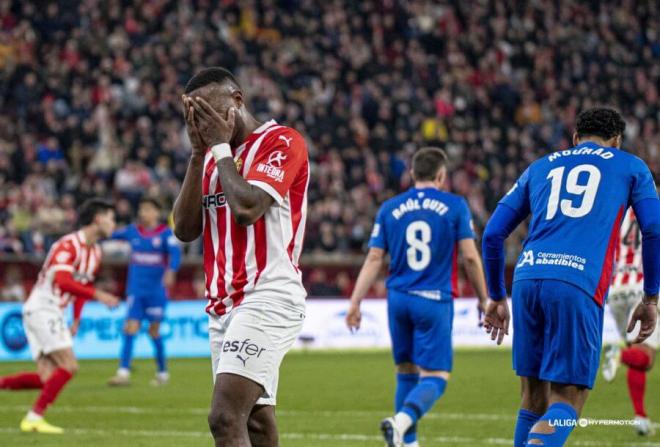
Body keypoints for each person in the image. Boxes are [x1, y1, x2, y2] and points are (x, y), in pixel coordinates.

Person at [481, 107, 659, 447]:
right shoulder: (631, 166)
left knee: (533, 396)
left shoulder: (540, 166)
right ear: (617, 142)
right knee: (567, 400)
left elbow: (492, 234)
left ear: (575, 139)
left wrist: (495, 295)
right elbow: (652, 229)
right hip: (578, 281)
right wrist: (650, 297)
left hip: (526, 278)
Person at [172, 67, 309, 447]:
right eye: (196, 115)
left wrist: (217, 150)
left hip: (268, 295)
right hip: (221, 307)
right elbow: (184, 230)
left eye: (212, 111)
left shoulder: (281, 141)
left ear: (237, 100)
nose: (206, 122)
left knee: (224, 417)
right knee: (257, 424)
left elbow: (248, 207)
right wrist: (199, 155)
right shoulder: (215, 158)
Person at [346, 147, 490, 447]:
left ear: (412, 174)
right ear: (441, 176)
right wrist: (483, 297)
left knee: (406, 372)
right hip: (433, 299)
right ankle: (401, 421)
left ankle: (407, 443)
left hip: (398, 299)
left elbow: (374, 258)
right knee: (437, 376)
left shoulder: (389, 208)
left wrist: (355, 302)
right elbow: (470, 258)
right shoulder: (455, 205)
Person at [0, 198, 120, 433]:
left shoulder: (95, 252)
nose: (113, 223)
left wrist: (76, 318)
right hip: (43, 306)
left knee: (47, 378)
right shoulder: (67, 245)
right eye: (111, 218)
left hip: (52, 311)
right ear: (98, 218)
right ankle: (34, 418)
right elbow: (63, 281)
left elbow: (81, 286)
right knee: (69, 365)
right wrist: (99, 295)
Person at [107, 197, 181, 387]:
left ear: (156, 213)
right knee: (130, 328)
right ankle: (123, 372)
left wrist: (171, 271)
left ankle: (162, 372)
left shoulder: (165, 235)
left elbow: (175, 254)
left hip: (156, 291)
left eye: (147, 209)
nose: (143, 213)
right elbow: (110, 235)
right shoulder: (132, 232)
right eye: (141, 209)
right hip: (136, 291)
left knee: (154, 331)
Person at [601, 207, 659, 435]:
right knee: (645, 357)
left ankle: (640, 417)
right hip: (642, 289)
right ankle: (617, 354)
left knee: (638, 354)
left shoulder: (618, 211)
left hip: (616, 291)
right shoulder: (654, 211)